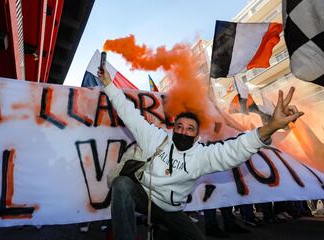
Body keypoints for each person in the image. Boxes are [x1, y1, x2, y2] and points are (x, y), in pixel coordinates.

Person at [97, 67, 304, 240]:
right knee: (122, 184)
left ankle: (162, 232)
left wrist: (270, 128)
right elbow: (129, 113)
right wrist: (108, 84)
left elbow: (236, 149)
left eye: (190, 129)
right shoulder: (156, 138)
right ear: (173, 128)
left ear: (196, 136)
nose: (183, 131)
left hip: (171, 210)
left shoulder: (202, 156)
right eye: (180, 126)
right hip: (144, 197)